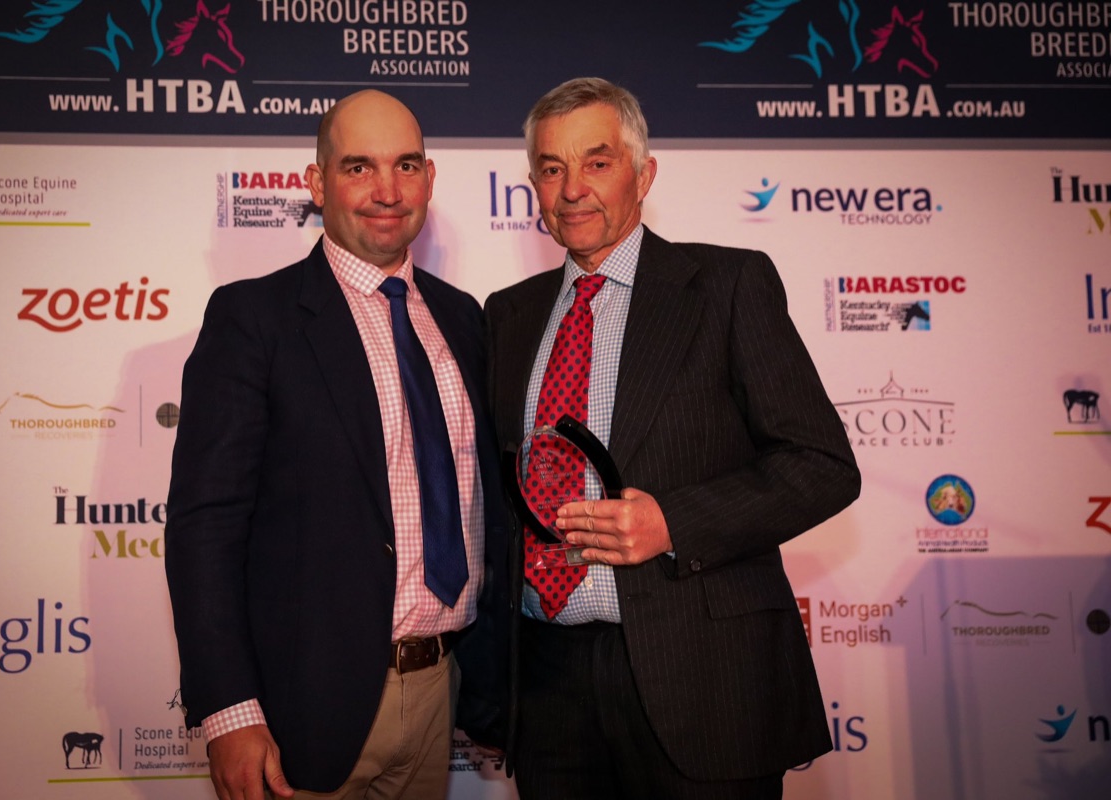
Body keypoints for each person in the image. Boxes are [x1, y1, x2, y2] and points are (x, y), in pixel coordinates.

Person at [484, 77, 861, 799]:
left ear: (644, 173)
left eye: (597, 163)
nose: (572, 189)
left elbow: (821, 464)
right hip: (547, 685)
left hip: (702, 676)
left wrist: (673, 523)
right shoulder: (508, 314)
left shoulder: (727, 284)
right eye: (552, 168)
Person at [166, 89, 507, 800]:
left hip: (442, 691)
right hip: (302, 711)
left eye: (405, 165)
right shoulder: (254, 318)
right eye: (359, 167)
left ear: (429, 178)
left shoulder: (463, 319)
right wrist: (230, 710)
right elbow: (206, 525)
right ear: (317, 183)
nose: (387, 190)